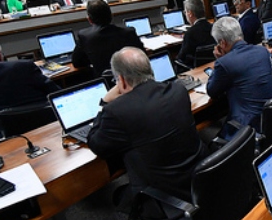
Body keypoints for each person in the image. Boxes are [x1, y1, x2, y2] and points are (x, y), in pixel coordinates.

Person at [88, 47, 206, 202]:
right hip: (198, 175)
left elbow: (97, 145)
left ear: (121, 80)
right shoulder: (177, 90)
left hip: (163, 192)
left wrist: (104, 104)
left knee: (118, 196)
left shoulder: (117, 111)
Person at [206, 17, 272, 137]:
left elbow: (211, 90)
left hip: (247, 127)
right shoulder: (262, 51)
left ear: (222, 43)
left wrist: (220, 59)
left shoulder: (225, 63)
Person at [72, 0, 143, 76]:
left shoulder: (85, 36)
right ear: (111, 16)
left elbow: (77, 63)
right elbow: (142, 55)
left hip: (105, 83)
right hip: (132, 79)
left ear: (89, 19)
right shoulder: (129, 32)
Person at [177, 0, 215, 67]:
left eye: (185, 12)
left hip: (195, 69)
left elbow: (181, 59)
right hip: (212, 65)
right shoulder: (213, 27)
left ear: (190, 14)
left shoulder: (190, 33)